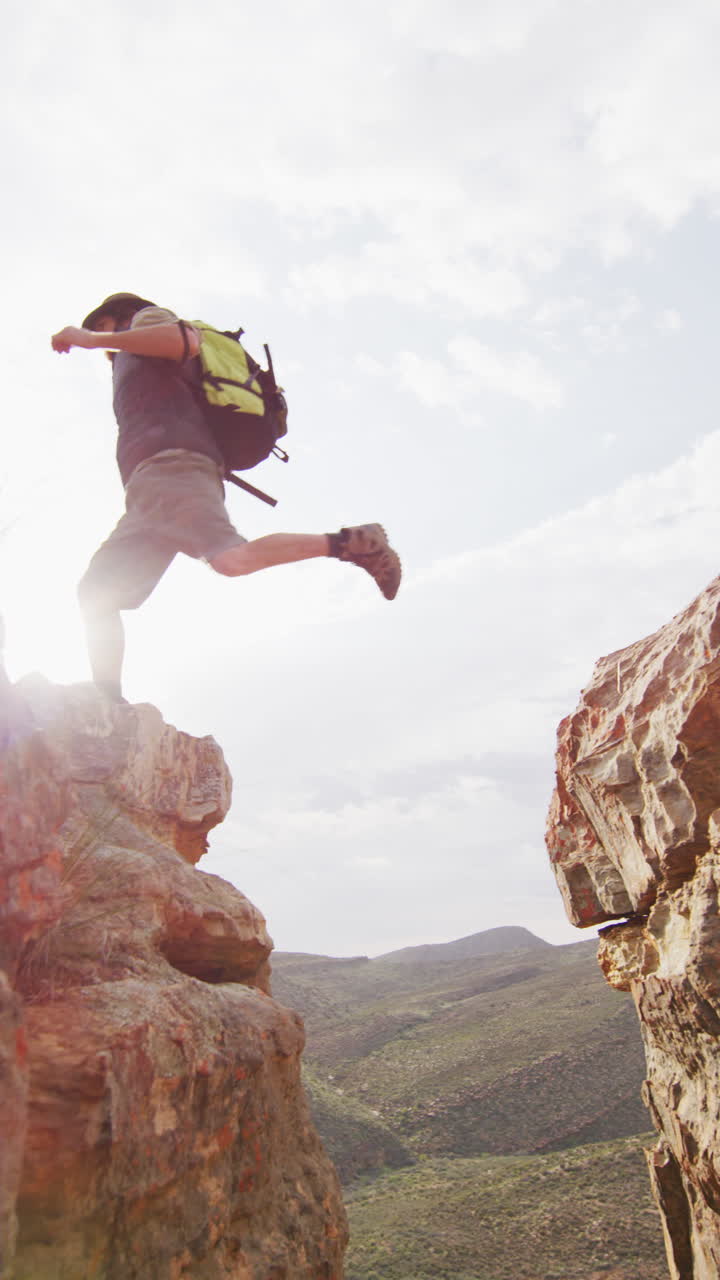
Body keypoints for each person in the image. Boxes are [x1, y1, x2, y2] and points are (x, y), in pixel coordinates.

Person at [51, 293, 401, 702]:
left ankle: (354, 544)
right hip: (147, 492)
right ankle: (108, 704)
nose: (105, 347)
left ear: (111, 319)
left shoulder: (143, 320)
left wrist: (89, 338)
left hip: (176, 466)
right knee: (95, 594)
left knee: (231, 559)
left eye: (103, 328)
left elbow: (184, 340)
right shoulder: (131, 360)